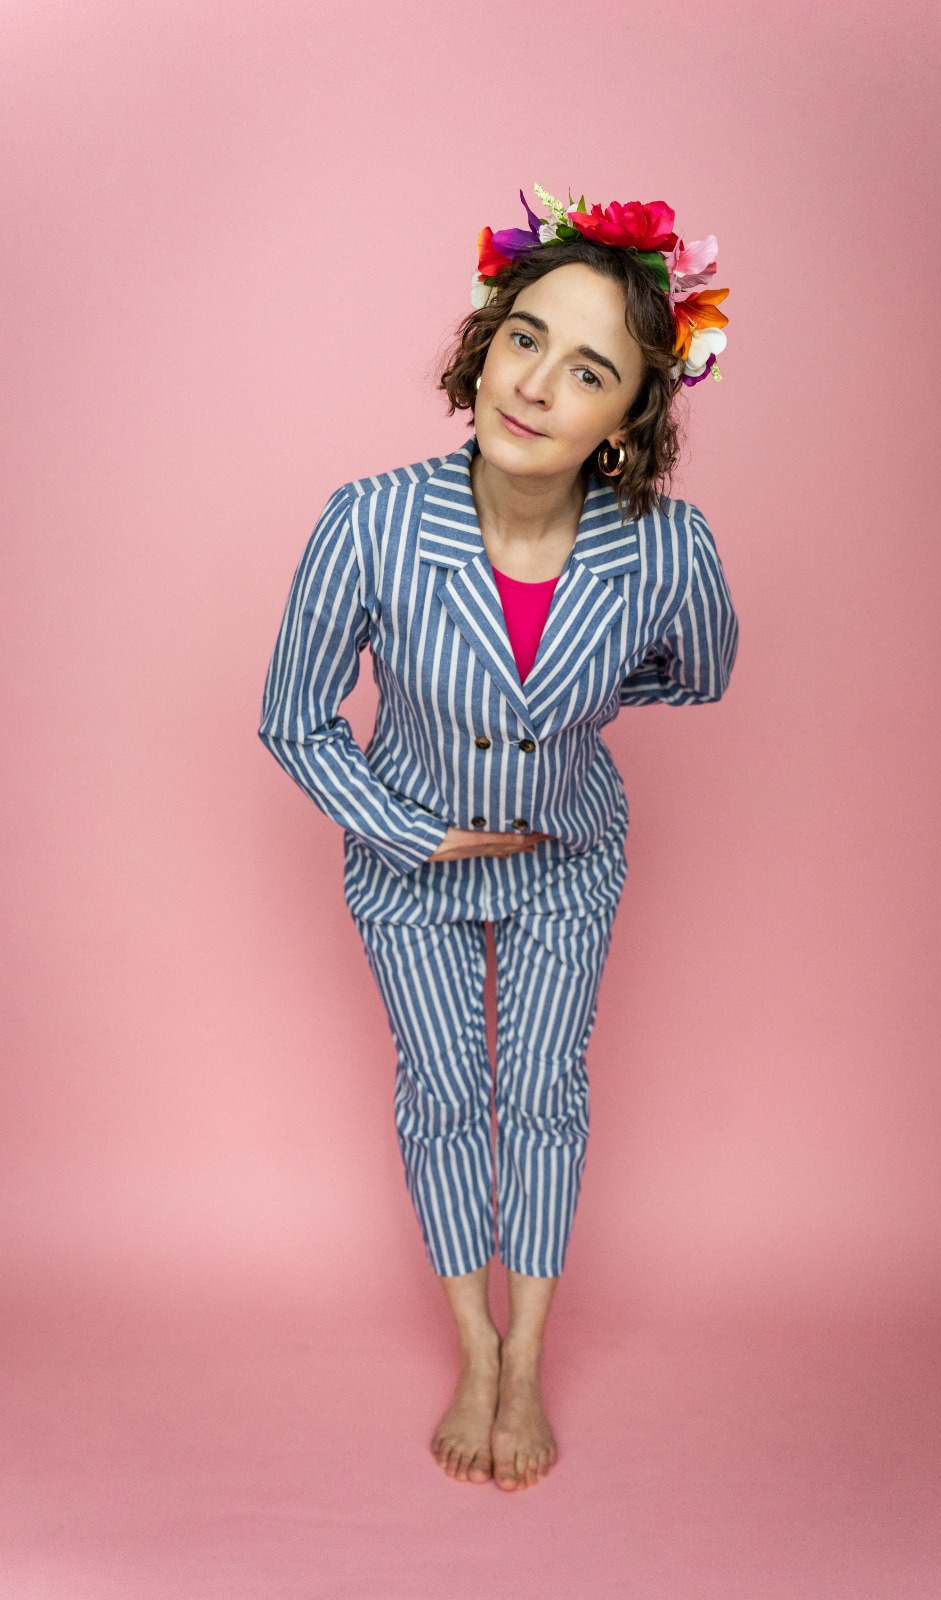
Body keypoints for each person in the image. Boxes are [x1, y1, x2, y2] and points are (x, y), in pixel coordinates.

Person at [257, 185, 739, 1492]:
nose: (537, 384)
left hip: (570, 860)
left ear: (629, 419)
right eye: (525, 337)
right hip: (404, 875)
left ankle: (526, 1354)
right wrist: (402, 826)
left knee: (538, 1097)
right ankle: (470, 1343)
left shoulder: (666, 549)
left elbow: (695, 675)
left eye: (588, 368)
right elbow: (293, 718)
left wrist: (552, 734)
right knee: (442, 1096)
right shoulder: (365, 520)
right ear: (484, 345)